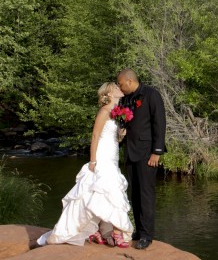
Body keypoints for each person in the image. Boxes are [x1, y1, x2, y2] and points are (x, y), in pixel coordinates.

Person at [37, 82, 133, 248]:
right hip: (102, 156)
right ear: (109, 94)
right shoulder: (104, 111)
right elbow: (95, 137)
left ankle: (95, 231)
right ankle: (115, 233)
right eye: (116, 88)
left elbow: (114, 139)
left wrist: (121, 135)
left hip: (113, 155)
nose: (119, 89)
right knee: (108, 190)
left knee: (103, 193)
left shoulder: (115, 113)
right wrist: (93, 160)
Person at [117, 68, 166, 250]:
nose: (120, 88)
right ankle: (138, 230)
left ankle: (147, 235)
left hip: (147, 153)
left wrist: (157, 152)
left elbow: (159, 124)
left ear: (129, 81)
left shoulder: (151, 95)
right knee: (135, 194)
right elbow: (125, 122)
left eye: (121, 84)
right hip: (130, 152)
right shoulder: (126, 98)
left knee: (146, 194)